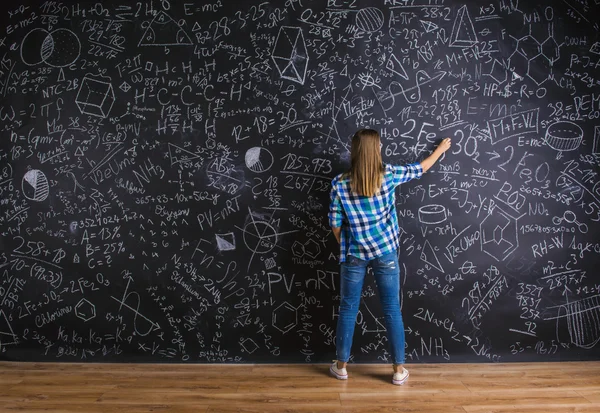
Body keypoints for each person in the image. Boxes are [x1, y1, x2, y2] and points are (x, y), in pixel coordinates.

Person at [328, 128, 451, 385]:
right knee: (392, 309)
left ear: (354, 151)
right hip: (385, 251)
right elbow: (421, 168)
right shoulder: (389, 175)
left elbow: (335, 223)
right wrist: (439, 150)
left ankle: (341, 368)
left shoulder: (340, 183)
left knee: (348, 309)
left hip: (354, 254)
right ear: (377, 149)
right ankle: (398, 371)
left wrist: (349, 244)